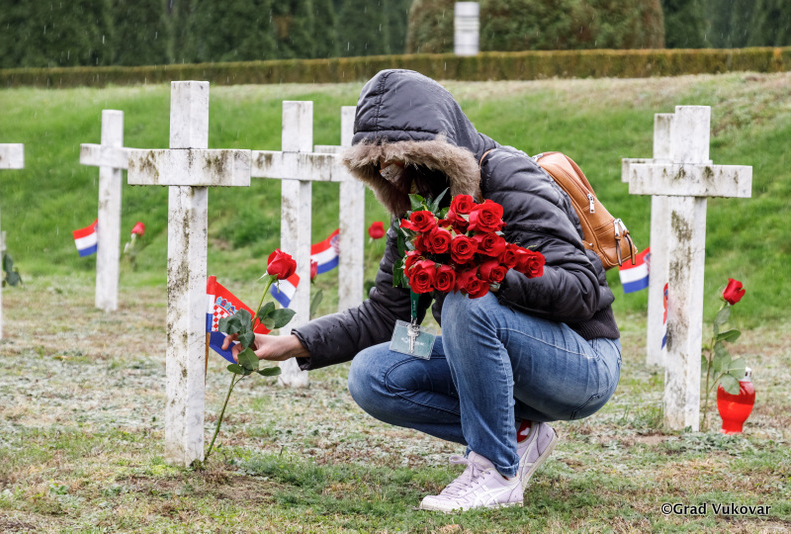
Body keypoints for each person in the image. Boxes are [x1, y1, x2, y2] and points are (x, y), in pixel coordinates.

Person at [224, 69, 622, 512]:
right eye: (382, 168)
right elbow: (383, 315)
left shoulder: (510, 176)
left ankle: (496, 473)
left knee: (467, 304)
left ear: (437, 153)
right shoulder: (419, 208)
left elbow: (585, 290)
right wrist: (295, 342)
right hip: (501, 351)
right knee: (373, 373)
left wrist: (487, 271)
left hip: (582, 362)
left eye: (400, 162)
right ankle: (518, 434)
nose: (395, 179)